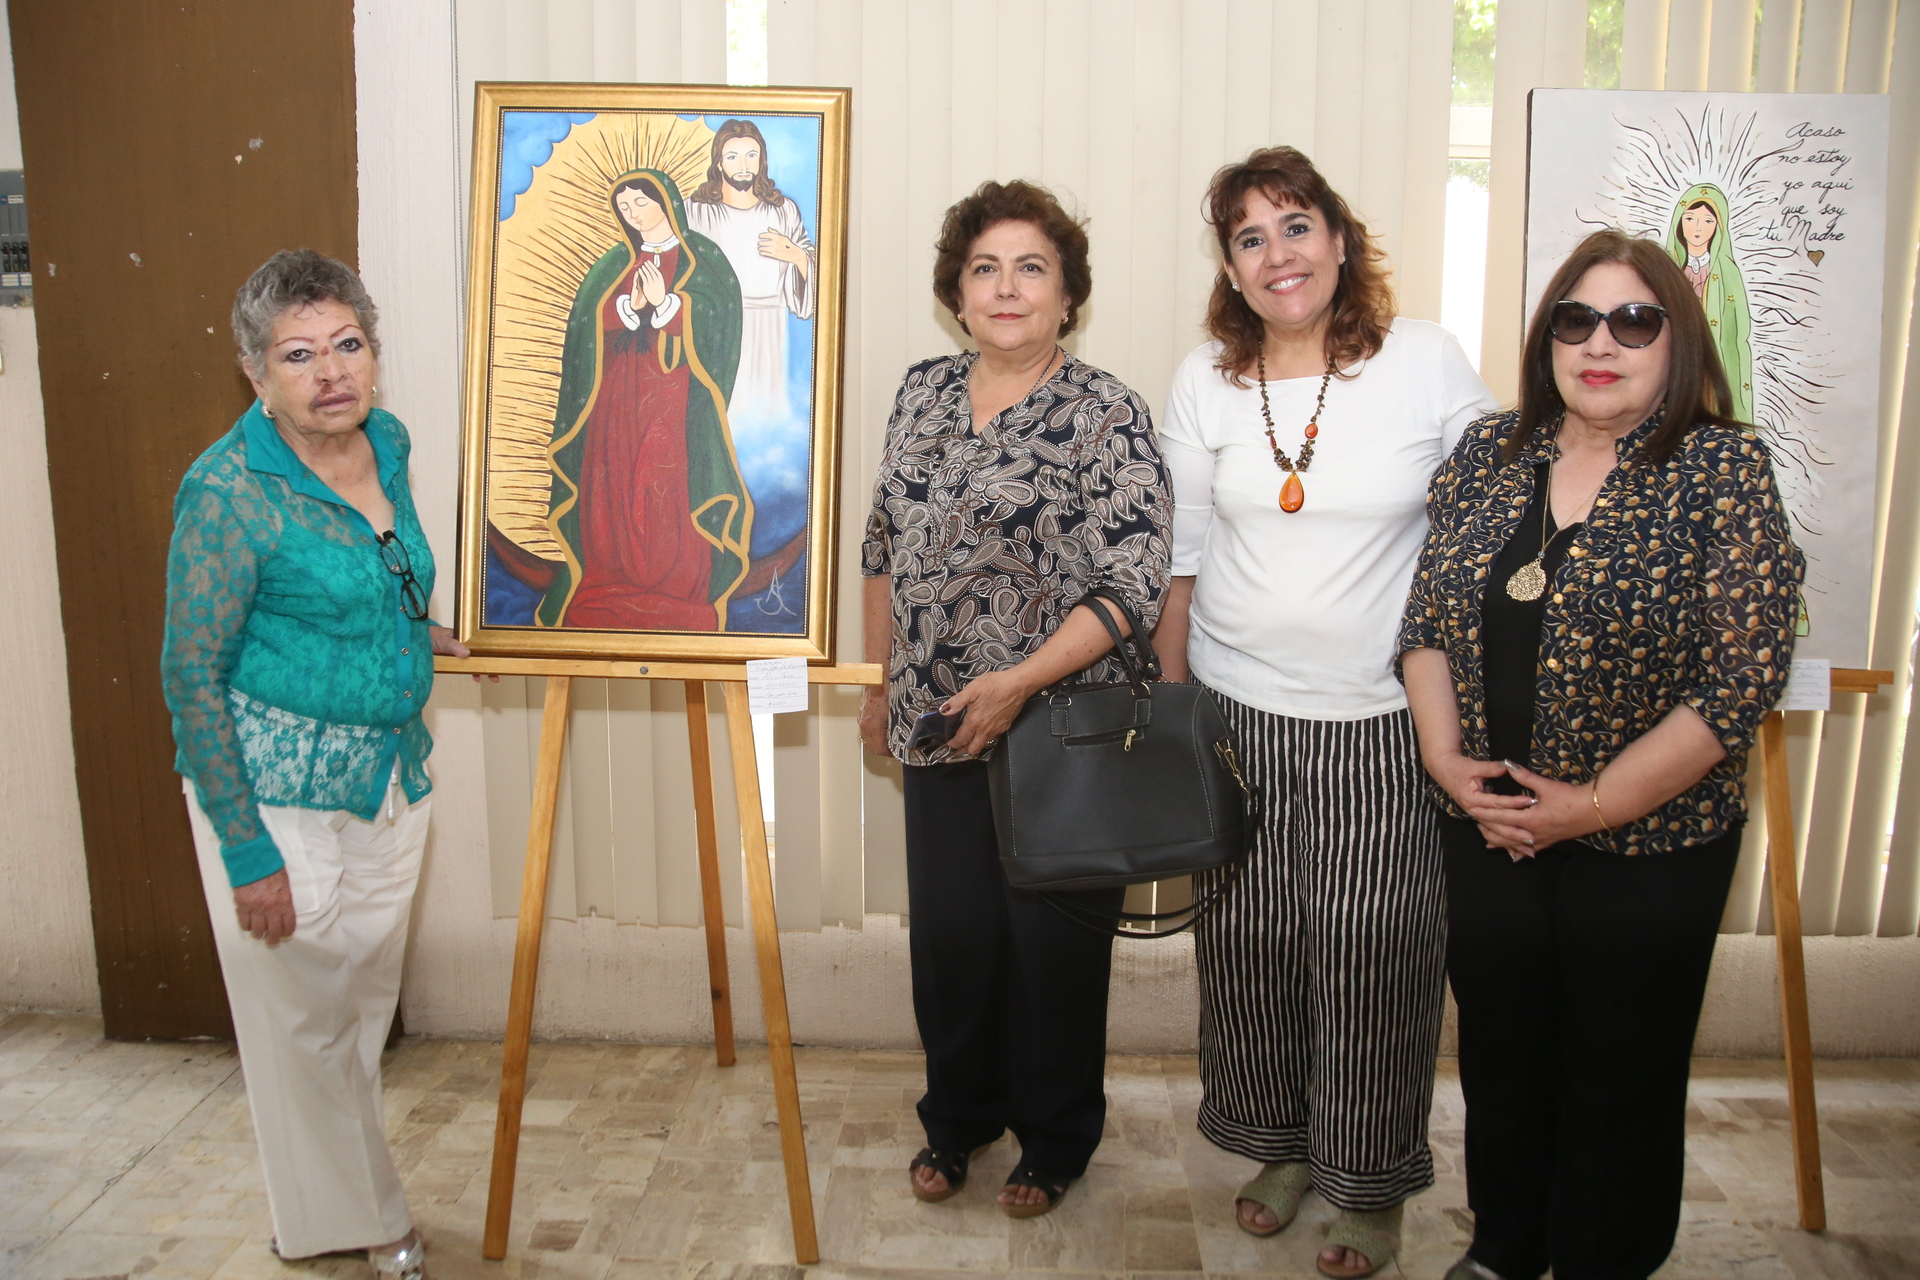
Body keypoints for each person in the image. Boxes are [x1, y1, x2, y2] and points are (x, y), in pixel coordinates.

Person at [1399, 228, 1802, 1280]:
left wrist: (1591, 803)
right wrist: (1447, 763)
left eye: (1635, 319)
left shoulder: (1722, 467)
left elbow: (1742, 677)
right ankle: (1505, 1245)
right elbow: (1427, 623)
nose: (1602, 342)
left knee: (1619, 1073)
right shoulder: (1490, 452)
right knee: (1503, 1052)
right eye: (1576, 318)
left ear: (1677, 339)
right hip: (1487, 824)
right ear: (1547, 340)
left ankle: (1598, 1257)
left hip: (1653, 839)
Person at [1151, 146, 1498, 1278]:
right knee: (1251, 944)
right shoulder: (1208, 375)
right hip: (1238, 709)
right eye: (1249, 237)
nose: (1276, 253)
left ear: (1340, 240)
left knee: (1374, 949)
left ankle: (1370, 1178)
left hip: (1382, 720)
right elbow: (1182, 559)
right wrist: (1171, 707)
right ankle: (1283, 1144)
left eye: (1295, 225)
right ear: (1232, 268)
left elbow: (1490, 531)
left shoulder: (1427, 363)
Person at [859, 179, 1172, 1219]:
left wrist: (1018, 682)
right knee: (952, 937)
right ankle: (956, 1117)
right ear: (955, 291)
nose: (1006, 287)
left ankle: (1056, 1135)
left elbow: (1131, 582)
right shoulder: (919, 390)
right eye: (984, 267)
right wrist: (877, 682)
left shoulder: (1107, 412)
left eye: (1031, 267)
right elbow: (882, 549)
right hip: (936, 722)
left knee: (1051, 949)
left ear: (1069, 295)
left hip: (1062, 731)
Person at [162, 250, 472, 1278]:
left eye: (347, 344)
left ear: (373, 355)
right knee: (301, 1018)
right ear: (257, 374)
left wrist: (428, 632)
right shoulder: (224, 491)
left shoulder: (386, 438)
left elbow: (383, 574)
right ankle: (377, 1220)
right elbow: (190, 674)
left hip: (390, 777)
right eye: (300, 355)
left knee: (352, 1012)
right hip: (273, 794)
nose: (330, 371)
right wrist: (245, 848)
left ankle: (310, 1217)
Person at [535, 167, 750, 632]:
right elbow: (585, 326)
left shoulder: (703, 257)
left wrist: (670, 303)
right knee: (611, 480)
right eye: (625, 208)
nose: (634, 214)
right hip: (616, 392)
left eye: (641, 203)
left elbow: (720, 319)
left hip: (673, 395)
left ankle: (674, 587)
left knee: (662, 480)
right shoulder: (615, 262)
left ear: (665, 202)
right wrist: (628, 308)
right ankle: (609, 578)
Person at [686, 119, 820, 629]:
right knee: (719, 433)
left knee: (764, 441)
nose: (744, 165)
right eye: (734, 156)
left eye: (751, 156)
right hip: (719, 333)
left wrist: (798, 258)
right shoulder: (699, 211)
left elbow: (808, 290)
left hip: (768, 331)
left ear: (761, 160)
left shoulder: (781, 210)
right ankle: (714, 540)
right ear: (719, 161)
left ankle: (757, 543)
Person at [1665, 183, 1753, 423]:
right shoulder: (1667, 270)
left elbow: (1738, 329)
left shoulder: (1726, 272)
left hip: (1713, 356)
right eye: (1690, 218)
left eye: (1707, 221)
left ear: (1718, 227)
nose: (1697, 228)